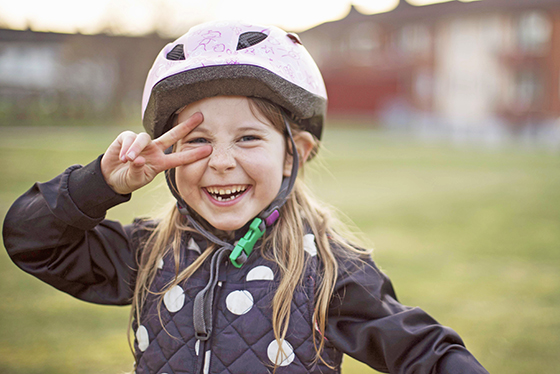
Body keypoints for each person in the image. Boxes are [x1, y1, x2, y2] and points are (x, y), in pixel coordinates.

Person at [2, 20, 489, 374]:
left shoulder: (328, 272)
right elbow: (31, 239)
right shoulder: (149, 253)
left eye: (248, 138)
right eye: (197, 139)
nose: (220, 161)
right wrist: (100, 185)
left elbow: (426, 352)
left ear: (292, 153)